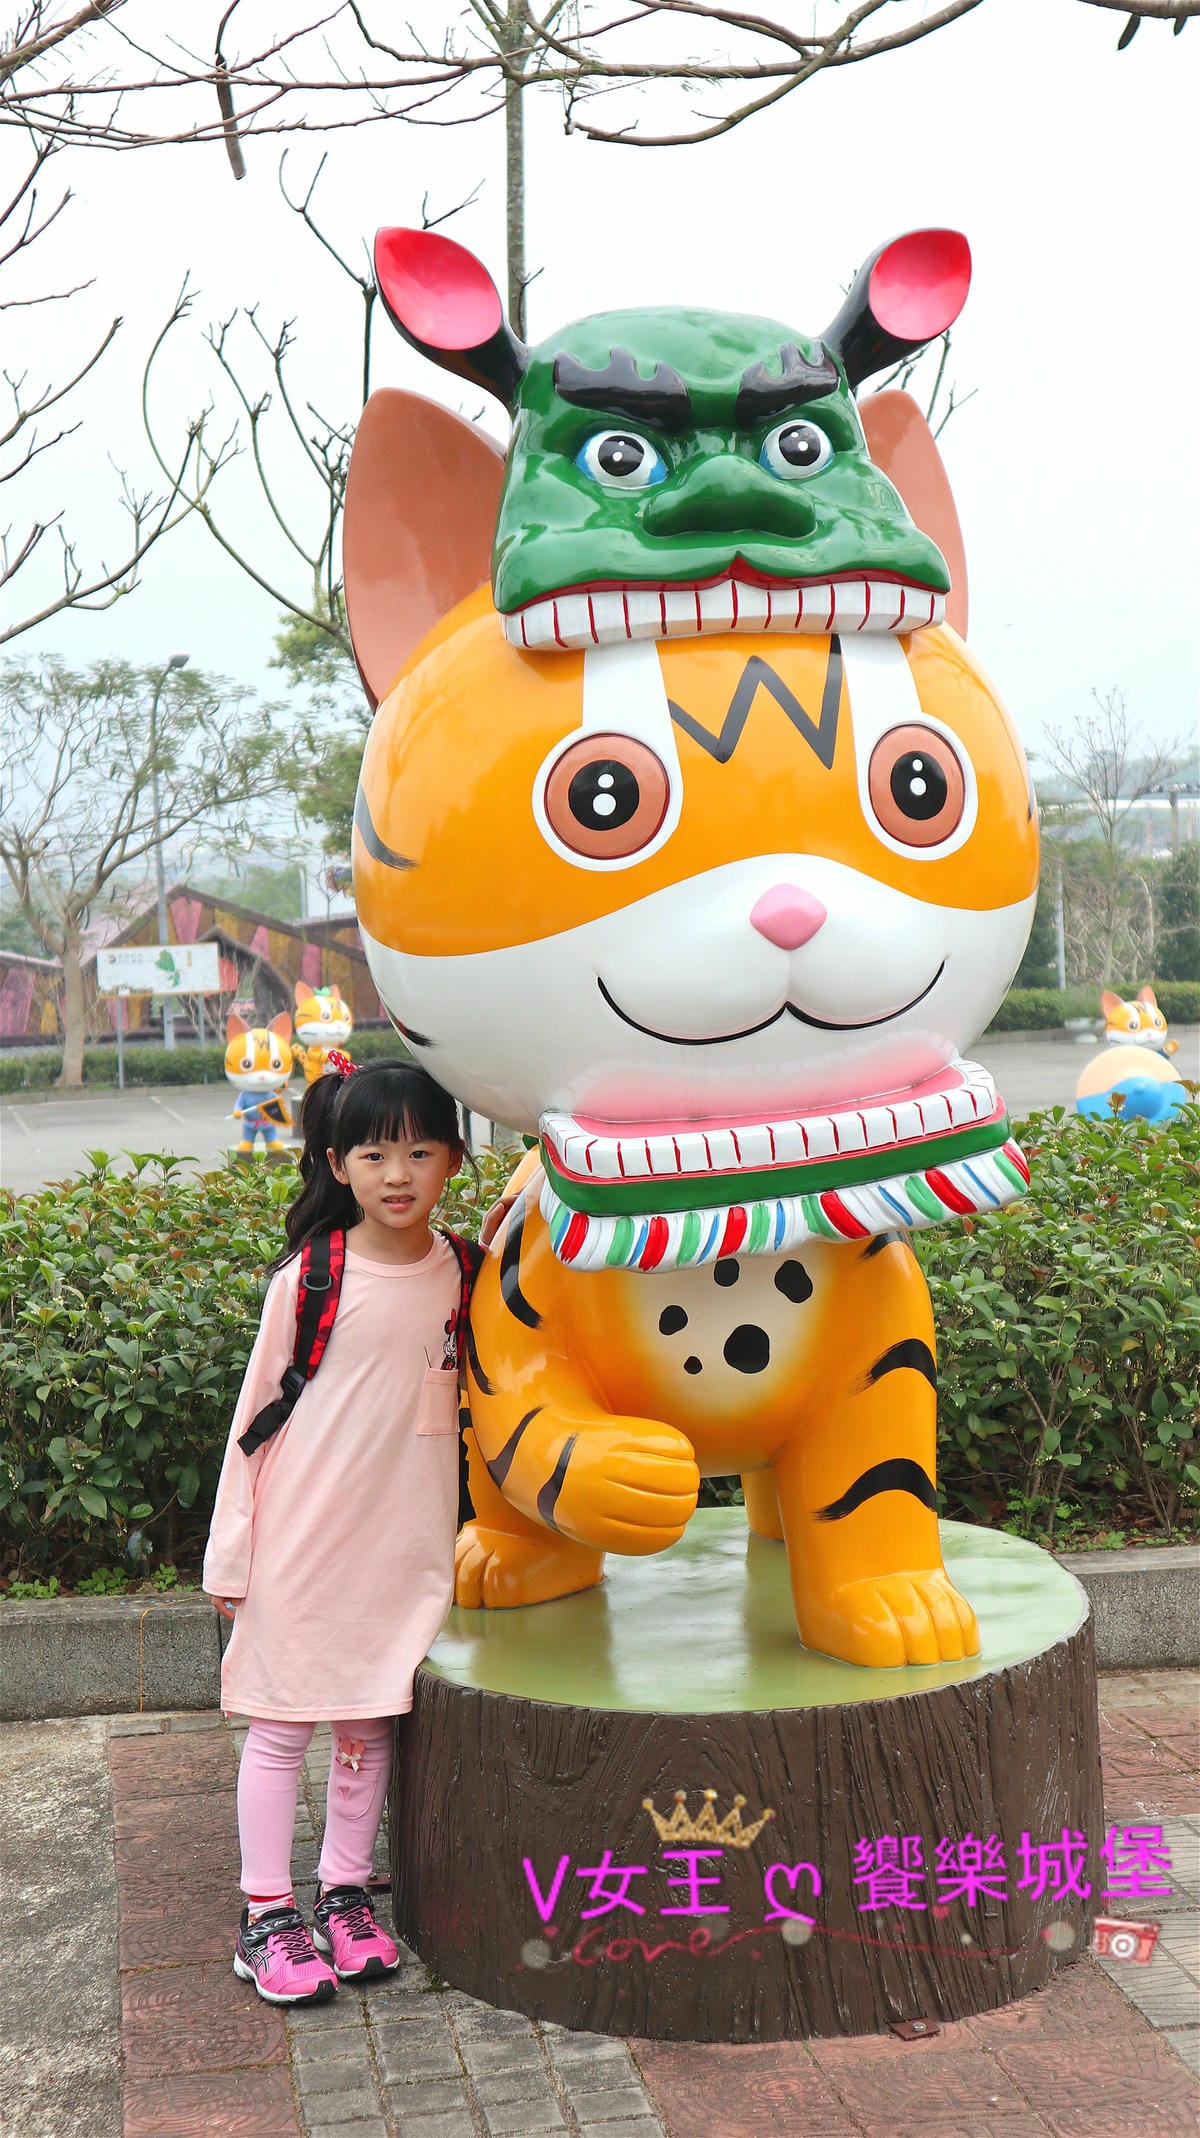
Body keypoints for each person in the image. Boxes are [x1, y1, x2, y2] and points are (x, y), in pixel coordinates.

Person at [203, 1055, 474, 2005]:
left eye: (420, 1151)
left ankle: (345, 1896)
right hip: (302, 1546)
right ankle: (266, 1916)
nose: (398, 1174)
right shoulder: (311, 1278)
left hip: (402, 1553)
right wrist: (232, 1550)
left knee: (368, 1725)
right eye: (374, 1154)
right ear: (337, 1163)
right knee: (282, 1728)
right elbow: (253, 1421)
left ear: (452, 1160)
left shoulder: (465, 1273)